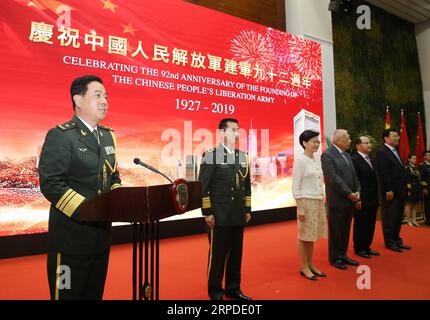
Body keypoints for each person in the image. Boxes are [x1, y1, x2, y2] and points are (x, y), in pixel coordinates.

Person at [39, 75, 121, 300]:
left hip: (101, 240)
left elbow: (114, 176)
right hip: (70, 242)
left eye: (105, 96)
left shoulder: (108, 137)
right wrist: (87, 210)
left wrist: (116, 201)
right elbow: (51, 184)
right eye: (97, 95)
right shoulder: (61, 136)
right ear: (78, 99)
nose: (104, 101)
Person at [198, 118, 252, 301]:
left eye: (238, 130)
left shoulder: (243, 156)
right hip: (219, 215)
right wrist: (207, 212)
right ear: (222, 133)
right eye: (233, 130)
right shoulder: (211, 155)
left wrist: (247, 209)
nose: (237, 134)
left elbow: (246, 187)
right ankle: (215, 291)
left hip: (237, 213)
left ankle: (233, 289)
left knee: (236, 254)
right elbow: (203, 187)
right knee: (218, 255)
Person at [321, 129, 360, 270]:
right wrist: (349, 193)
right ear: (338, 140)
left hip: (350, 199)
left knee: (345, 229)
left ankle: (343, 254)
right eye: (347, 138)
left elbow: (354, 176)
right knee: (336, 230)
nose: (350, 141)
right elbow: (333, 178)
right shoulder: (327, 155)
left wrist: (357, 192)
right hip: (337, 200)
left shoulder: (347, 155)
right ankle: (335, 258)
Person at [292, 130, 327, 281]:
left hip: (318, 201)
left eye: (318, 141)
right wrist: (300, 206)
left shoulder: (315, 159)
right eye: (313, 141)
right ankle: (303, 266)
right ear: (304, 143)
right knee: (303, 235)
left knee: (311, 236)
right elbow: (295, 186)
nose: (317, 144)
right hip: (305, 202)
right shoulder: (300, 160)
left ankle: (311, 264)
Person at [374, 129, 411, 252]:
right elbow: (383, 173)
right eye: (394, 136)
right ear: (386, 138)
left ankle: (396, 240)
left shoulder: (396, 151)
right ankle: (390, 242)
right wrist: (388, 189)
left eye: (398, 136)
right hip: (391, 192)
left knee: (397, 217)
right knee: (390, 217)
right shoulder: (382, 152)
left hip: (400, 191)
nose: (397, 138)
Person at [351, 136, 380, 259]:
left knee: (370, 223)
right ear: (358, 146)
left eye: (370, 143)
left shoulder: (371, 159)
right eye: (366, 143)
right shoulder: (354, 159)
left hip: (373, 197)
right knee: (361, 223)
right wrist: (357, 198)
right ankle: (359, 248)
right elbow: (354, 180)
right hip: (362, 198)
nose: (369, 145)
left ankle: (367, 246)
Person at [404, 154, 423, 227]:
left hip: (416, 189)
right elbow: (407, 180)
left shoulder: (416, 168)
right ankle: (408, 220)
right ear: (409, 159)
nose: (415, 160)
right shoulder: (407, 168)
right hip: (410, 189)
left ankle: (414, 220)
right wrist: (408, 190)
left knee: (415, 205)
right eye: (413, 158)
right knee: (409, 205)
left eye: (415, 158)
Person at [418, 150, 430, 225]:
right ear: (424, 157)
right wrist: (424, 188)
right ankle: (427, 219)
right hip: (427, 188)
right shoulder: (422, 166)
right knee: (427, 204)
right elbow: (421, 178)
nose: (429, 156)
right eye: (428, 155)